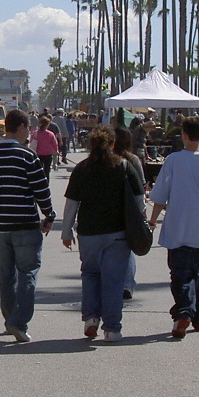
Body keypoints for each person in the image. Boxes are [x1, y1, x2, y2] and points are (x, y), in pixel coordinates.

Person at [0, 109, 56, 344]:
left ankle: (10, 319)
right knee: (28, 272)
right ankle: (18, 322)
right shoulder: (27, 156)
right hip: (25, 224)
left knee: (8, 275)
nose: (29, 134)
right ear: (20, 128)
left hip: (0, 226)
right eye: (27, 129)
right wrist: (49, 215)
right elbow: (41, 190)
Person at [60, 126, 144, 343]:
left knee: (90, 275)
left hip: (88, 234)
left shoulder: (82, 169)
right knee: (114, 282)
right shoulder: (124, 167)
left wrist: (67, 231)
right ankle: (112, 329)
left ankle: (91, 319)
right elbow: (139, 200)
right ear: (113, 144)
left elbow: (71, 204)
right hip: (118, 234)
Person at [147, 115, 199, 338]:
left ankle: (183, 312)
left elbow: (160, 194)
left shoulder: (173, 160)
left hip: (177, 226)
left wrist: (153, 219)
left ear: (184, 135)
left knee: (179, 274)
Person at [113, 123, 145, 300]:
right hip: (131, 209)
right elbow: (141, 183)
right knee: (128, 248)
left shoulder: (107, 159)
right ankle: (127, 283)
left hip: (112, 209)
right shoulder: (133, 160)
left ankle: (114, 282)